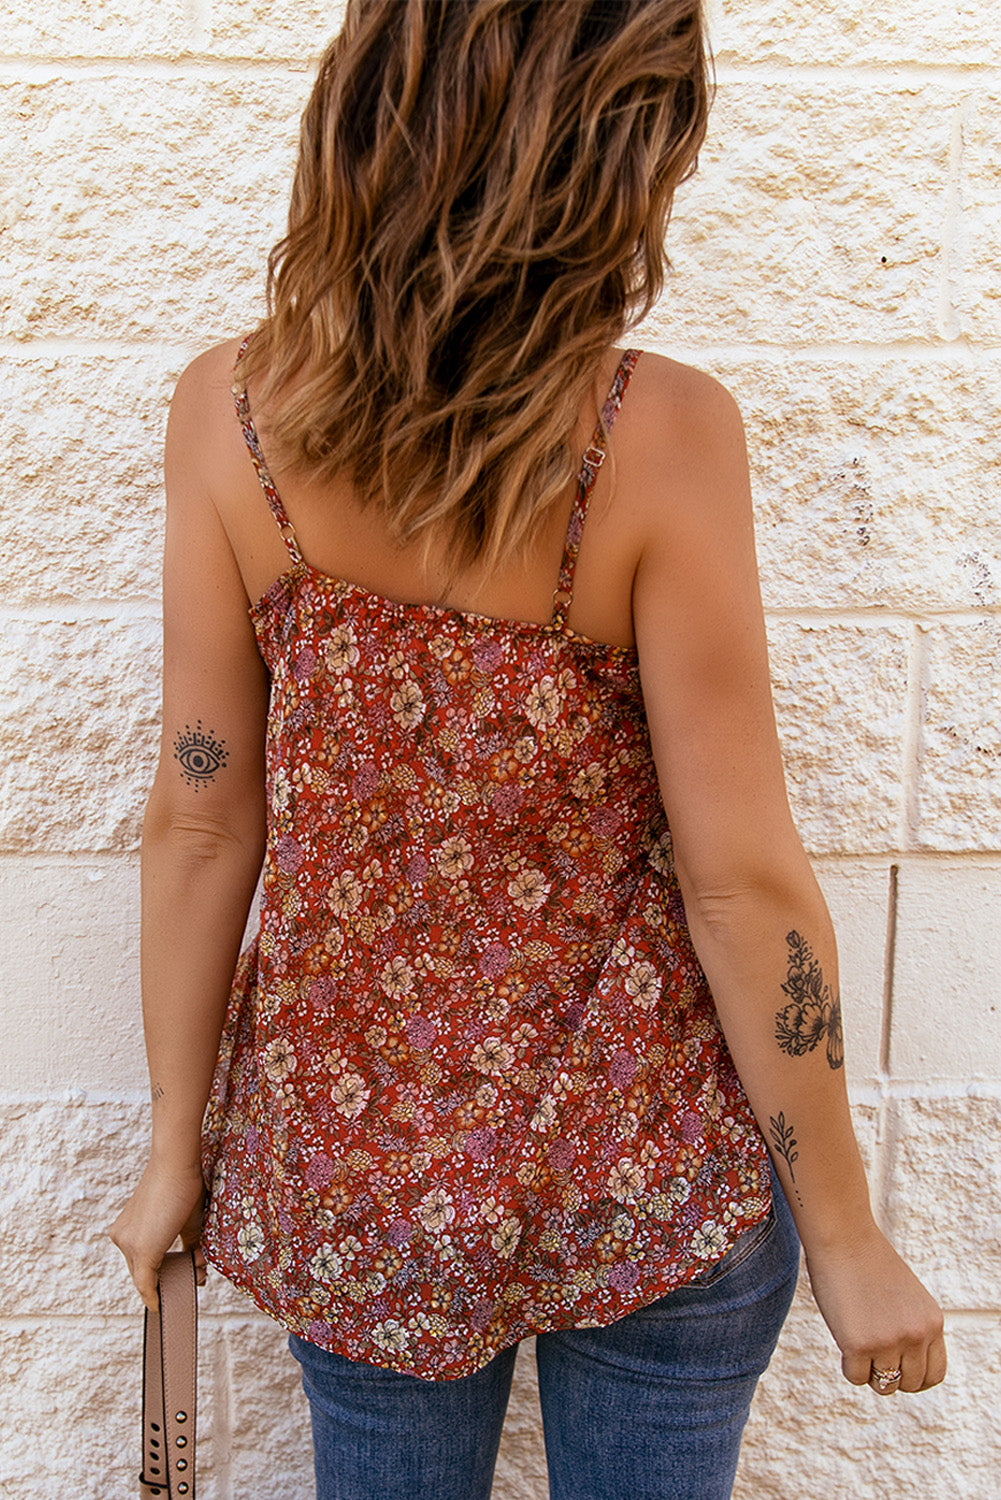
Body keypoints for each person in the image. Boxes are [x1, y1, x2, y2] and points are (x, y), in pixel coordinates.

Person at [110, 2, 947, 1496]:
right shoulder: (662, 433)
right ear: (607, 161)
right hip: (648, 1162)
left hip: (362, 1182)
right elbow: (739, 879)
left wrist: (178, 1141)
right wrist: (842, 1233)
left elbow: (201, 816)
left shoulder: (231, 414)